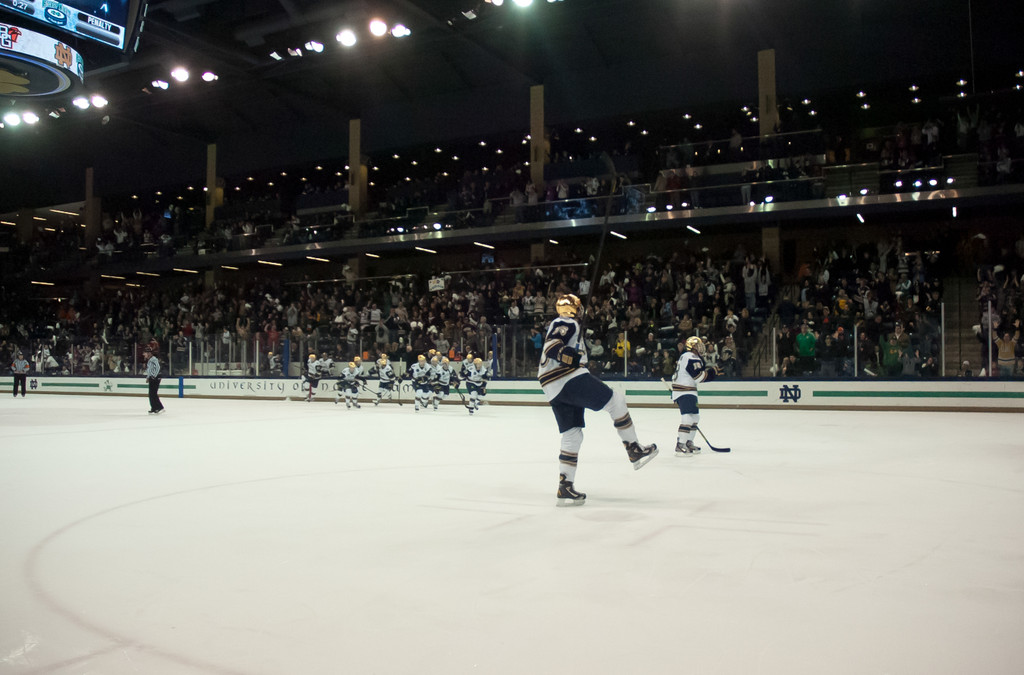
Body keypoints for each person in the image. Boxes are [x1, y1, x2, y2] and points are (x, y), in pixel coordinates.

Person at [538, 293, 657, 507]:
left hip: (553, 388)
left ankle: (565, 485)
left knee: (572, 435)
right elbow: (552, 347)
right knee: (616, 400)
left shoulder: (568, 326)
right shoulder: (565, 322)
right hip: (566, 378)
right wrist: (568, 356)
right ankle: (634, 448)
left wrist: (569, 355)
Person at [670, 336, 717, 456]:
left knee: (695, 417)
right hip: (684, 390)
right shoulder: (691, 356)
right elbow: (698, 377)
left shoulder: (688, 356)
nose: (701, 347)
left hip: (688, 390)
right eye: (698, 345)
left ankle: (688, 442)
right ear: (692, 347)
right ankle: (680, 445)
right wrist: (712, 373)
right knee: (688, 418)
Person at [143, 346, 164, 414]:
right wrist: (148, 377)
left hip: (155, 378)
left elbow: (157, 367)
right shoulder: (150, 360)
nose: (144, 354)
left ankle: (159, 407)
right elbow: (150, 370)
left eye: (145, 353)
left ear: (149, 353)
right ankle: (154, 407)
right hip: (152, 378)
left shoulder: (153, 359)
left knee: (153, 393)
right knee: (152, 393)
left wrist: (154, 376)